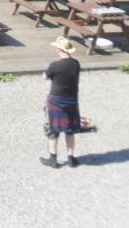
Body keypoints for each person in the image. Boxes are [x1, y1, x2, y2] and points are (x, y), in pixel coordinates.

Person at [41, 36, 81, 168]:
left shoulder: (55, 65)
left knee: (53, 131)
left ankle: (53, 159)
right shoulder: (76, 64)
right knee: (70, 131)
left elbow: (46, 76)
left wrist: (47, 78)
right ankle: (71, 158)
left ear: (59, 49)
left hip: (56, 101)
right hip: (71, 101)